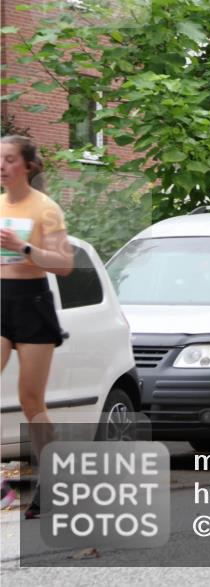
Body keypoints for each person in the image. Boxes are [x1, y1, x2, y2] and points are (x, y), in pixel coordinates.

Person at [1, 135, 74, 518]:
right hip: (1, 299)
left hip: (33, 303)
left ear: (27, 166)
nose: (1, 166)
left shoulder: (45, 209)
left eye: (9, 159)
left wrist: (23, 247)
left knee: (31, 400)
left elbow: (64, 265)